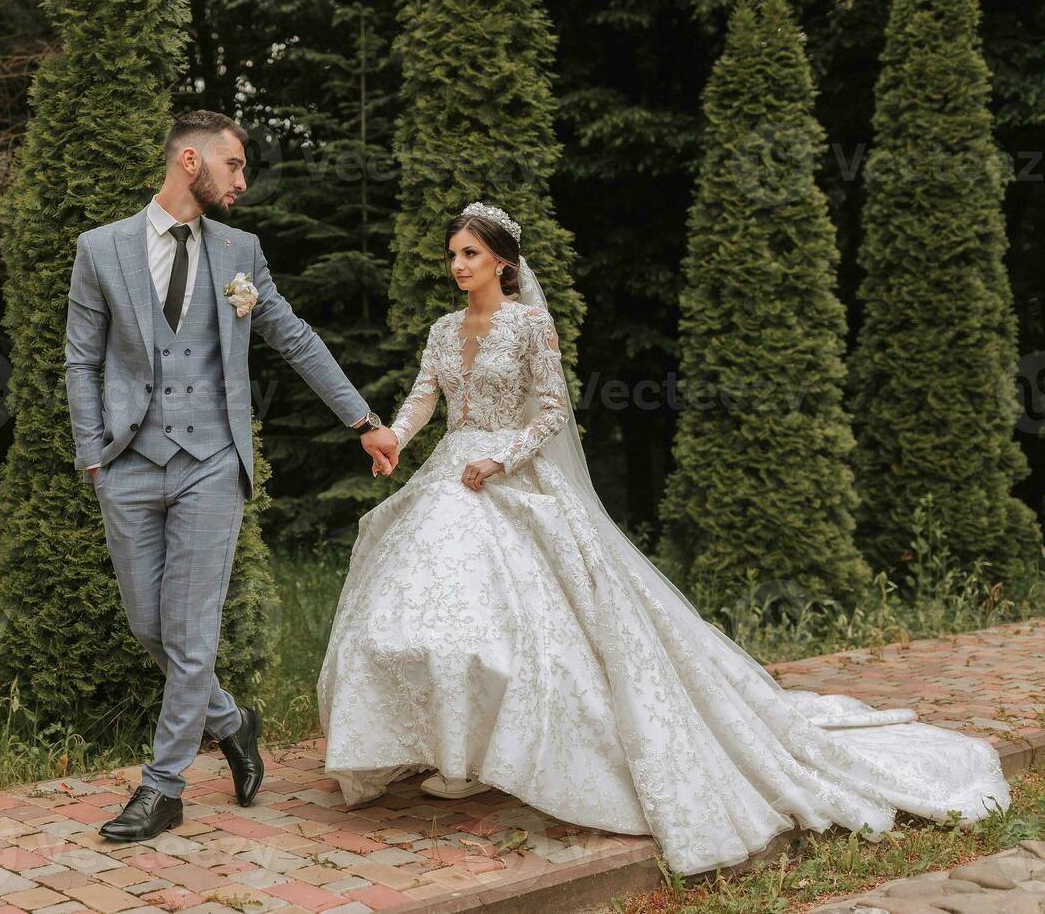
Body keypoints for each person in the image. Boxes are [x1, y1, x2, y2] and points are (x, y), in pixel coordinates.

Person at [315, 200, 1010, 876]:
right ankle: (450, 753)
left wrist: (503, 458)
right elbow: (423, 396)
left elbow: (554, 410)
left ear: (502, 259)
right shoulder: (443, 328)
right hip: (450, 475)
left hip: (510, 474)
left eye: (469, 253)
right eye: (453, 255)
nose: (457, 265)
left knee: (533, 626)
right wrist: (396, 440)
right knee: (425, 611)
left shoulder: (529, 327)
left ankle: (510, 750)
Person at [65, 109, 400, 842]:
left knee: (190, 634)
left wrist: (363, 421)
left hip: (212, 465)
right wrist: (93, 454)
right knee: (148, 624)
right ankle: (233, 722)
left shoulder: (241, 252)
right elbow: (81, 360)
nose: (241, 182)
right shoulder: (101, 249)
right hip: (126, 465)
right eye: (234, 166)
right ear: (190, 161)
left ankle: (164, 787)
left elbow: (294, 338)